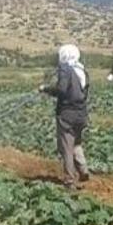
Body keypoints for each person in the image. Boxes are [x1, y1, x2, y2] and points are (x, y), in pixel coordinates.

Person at [39, 44, 90, 189]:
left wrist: (46, 89)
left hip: (67, 114)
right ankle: (83, 169)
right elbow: (84, 94)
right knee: (76, 143)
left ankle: (69, 180)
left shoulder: (65, 69)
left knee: (66, 147)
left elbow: (61, 90)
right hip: (81, 114)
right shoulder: (82, 70)